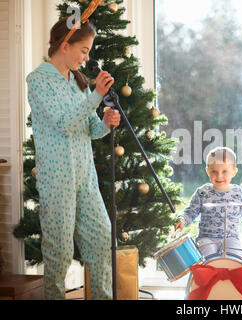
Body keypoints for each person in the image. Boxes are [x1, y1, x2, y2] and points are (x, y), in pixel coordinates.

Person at [26, 17, 121, 299]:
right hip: (57, 180)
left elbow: (88, 128)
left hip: (85, 176)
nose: (86, 58)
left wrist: (105, 121)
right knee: (59, 253)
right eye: (83, 50)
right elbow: (63, 123)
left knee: (102, 239)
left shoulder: (76, 82)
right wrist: (95, 96)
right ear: (65, 45)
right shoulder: (39, 80)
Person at [174, 147, 242, 258]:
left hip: (230, 238)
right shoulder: (203, 192)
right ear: (207, 171)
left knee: (235, 258)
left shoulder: (238, 193)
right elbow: (190, 212)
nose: (219, 176)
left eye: (224, 171)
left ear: (234, 172)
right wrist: (182, 219)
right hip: (207, 238)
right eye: (214, 171)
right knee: (207, 254)